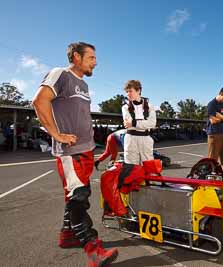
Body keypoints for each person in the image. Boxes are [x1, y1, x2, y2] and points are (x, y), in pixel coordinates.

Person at [32, 42, 118, 267]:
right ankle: (93, 249)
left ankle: (68, 236)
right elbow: (39, 101)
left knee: (74, 198)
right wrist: (57, 134)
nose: (95, 62)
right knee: (80, 197)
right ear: (77, 57)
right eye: (91, 57)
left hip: (85, 151)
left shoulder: (84, 86)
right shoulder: (60, 74)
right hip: (70, 153)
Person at [121, 80, 156, 166]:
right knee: (131, 167)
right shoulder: (125, 107)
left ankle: (148, 180)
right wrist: (143, 123)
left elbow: (152, 123)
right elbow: (127, 124)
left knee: (149, 166)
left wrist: (134, 123)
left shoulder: (150, 106)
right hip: (130, 139)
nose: (128, 94)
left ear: (138, 90)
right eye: (127, 92)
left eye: (130, 91)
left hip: (146, 139)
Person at [206, 86, 223, 174]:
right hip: (214, 134)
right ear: (221, 94)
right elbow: (213, 121)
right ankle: (211, 179)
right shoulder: (212, 104)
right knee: (212, 160)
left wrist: (219, 116)